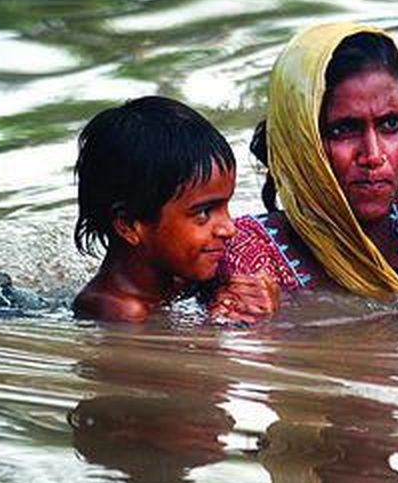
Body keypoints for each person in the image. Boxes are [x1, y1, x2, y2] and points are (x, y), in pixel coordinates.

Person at [214, 21, 398, 314]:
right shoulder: (249, 256)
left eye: (391, 124)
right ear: (300, 139)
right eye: (343, 129)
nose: (374, 155)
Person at [72, 95, 272, 322]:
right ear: (128, 225)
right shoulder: (120, 312)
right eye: (204, 213)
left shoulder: (181, 276)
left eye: (226, 206)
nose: (229, 228)